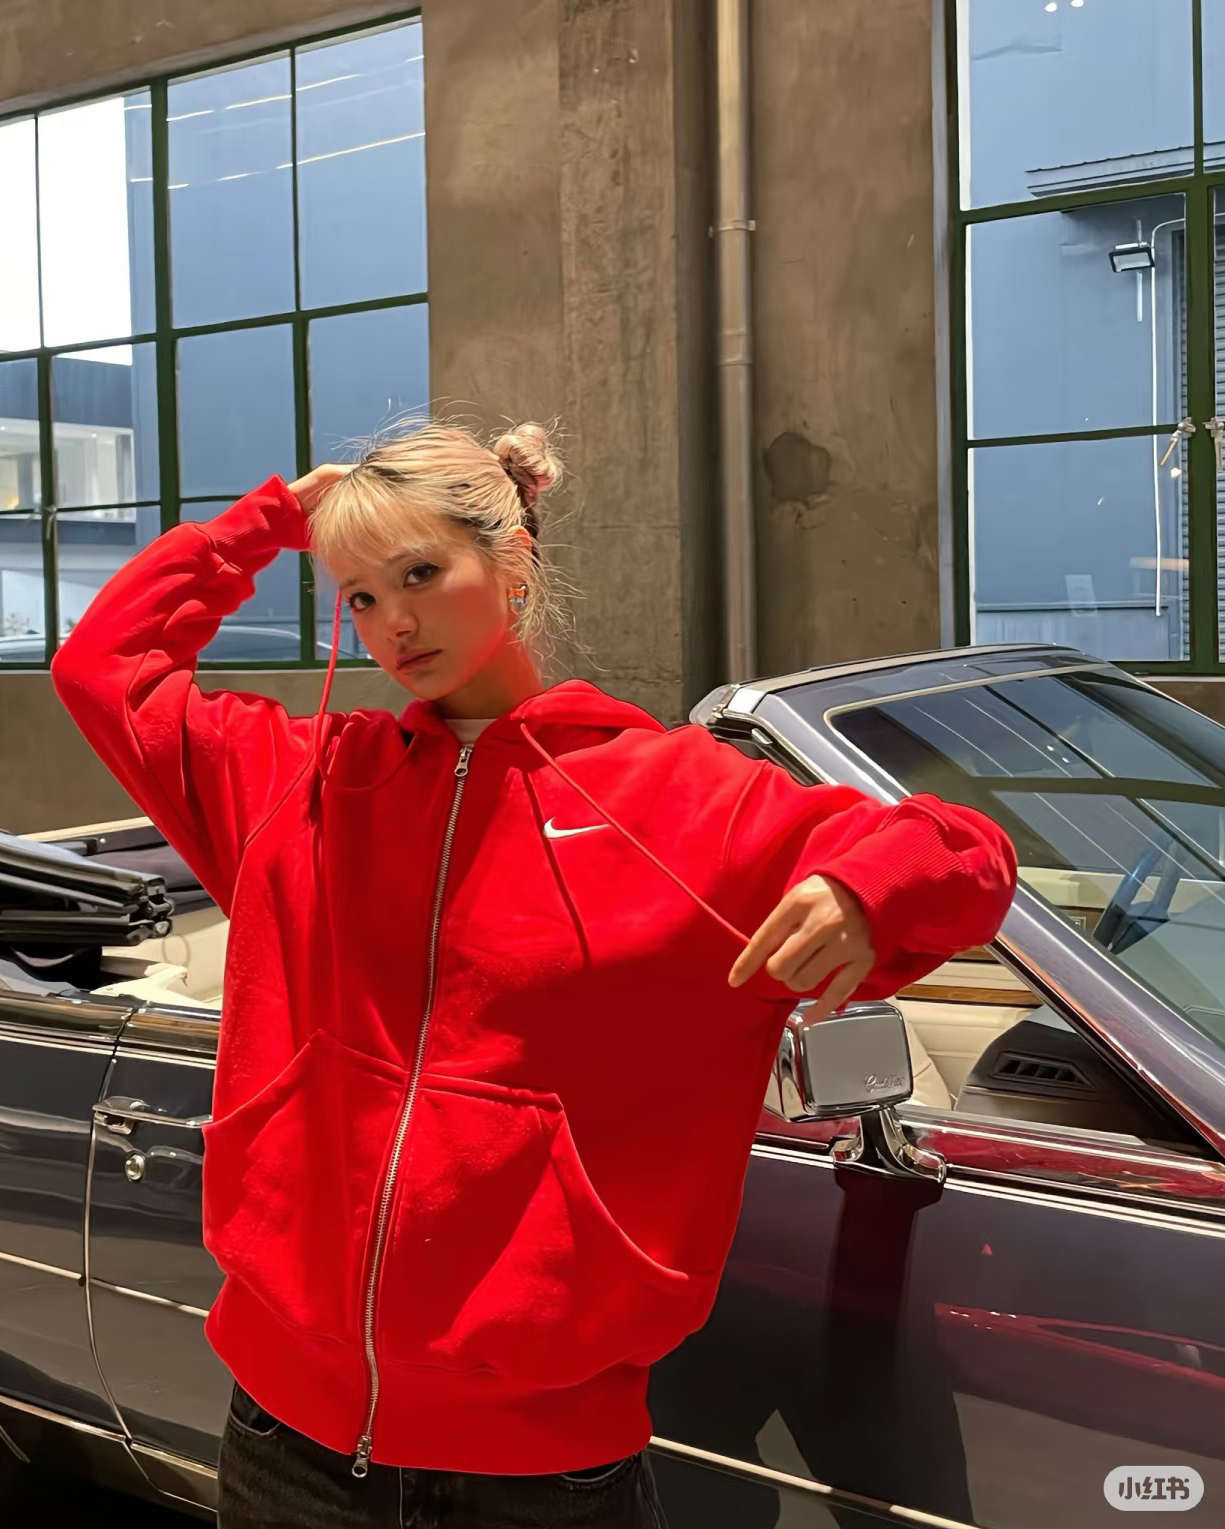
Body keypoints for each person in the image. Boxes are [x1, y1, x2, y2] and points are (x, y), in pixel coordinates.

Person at [51, 419, 1016, 1529]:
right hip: (283, 1440)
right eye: (361, 596)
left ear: (512, 563)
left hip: (541, 1477)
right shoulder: (300, 786)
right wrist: (266, 521)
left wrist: (864, 887)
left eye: (420, 574)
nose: (393, 622)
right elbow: (102, 667)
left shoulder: (680, 802)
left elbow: (966, 853)